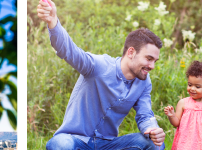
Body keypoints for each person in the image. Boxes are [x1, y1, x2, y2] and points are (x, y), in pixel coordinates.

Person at [36, 0, 166, 149]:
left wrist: (152, 129)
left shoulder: (144, 82)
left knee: (155, 144)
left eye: (155, 61)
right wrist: (53, 22)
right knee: (60, 144)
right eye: (149, 59)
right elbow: (69, 51)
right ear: (131, 52)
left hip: (108, 144)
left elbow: (145, 115)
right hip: (76, 140)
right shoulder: (99, 66)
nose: (152, 66)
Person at [163, 61, 202, 150]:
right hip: (185, 144)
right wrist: (171, 116)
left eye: (197, 87)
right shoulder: (183, 103)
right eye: (190, 85)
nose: (192, 89)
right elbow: (176, 123)